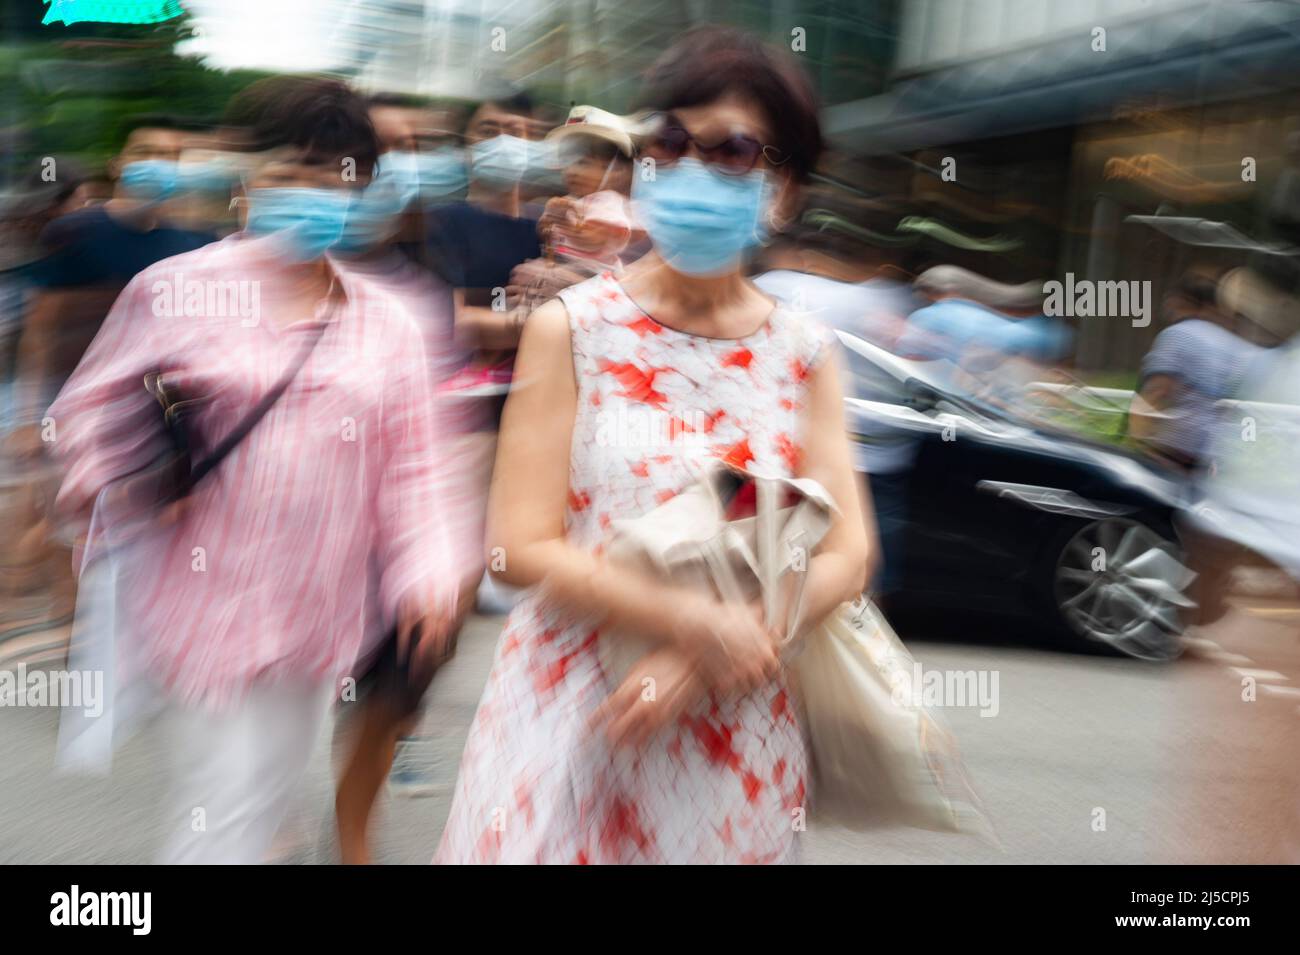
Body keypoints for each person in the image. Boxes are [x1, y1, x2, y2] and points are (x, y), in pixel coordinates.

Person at [435, 26, 874, 864]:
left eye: (732, 151)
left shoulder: (807, 354)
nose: (690, 167)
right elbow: (516, 546)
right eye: (669, 141)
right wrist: (685, 621)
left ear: (783, 188)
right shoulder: (574, 326)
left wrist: (706, 649)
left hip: (732, 735)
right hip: (573, 709)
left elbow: (848, 554)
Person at [47, 76, 458, 864]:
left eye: (334, 177)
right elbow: (83, 417)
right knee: (224, 807)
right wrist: (130, 477)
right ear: (249, 178)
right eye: (291, 170)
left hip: (317, 615)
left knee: (270, 792)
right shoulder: (173, 291)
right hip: (204, 606)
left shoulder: (387, 324)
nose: (312, 192)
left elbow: (416, 473)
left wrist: (426, 575)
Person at [329, 95, 484, 864]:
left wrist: (447, 561)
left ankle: (354, 839)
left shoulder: (423, 289)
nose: (391, 166)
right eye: (378, 147)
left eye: (413, 147)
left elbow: (434, 440)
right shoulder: (254, 281)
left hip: (397, 545)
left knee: (391, 696)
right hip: (289, 543)